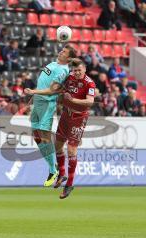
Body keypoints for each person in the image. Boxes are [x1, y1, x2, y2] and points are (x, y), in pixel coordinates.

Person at [24, 45, 77, 187]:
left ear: (69, 58)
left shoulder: (62, 71)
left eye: (65, 52)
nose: (61, 51)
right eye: (62, 50)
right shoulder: (53, 64)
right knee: (36, 136)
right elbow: (43, 82)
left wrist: (34, 92)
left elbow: (51, 91)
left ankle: (54, 170)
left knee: (44, 137)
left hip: (47, 104)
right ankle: (53, 166)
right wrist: (33, 98)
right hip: (37, 101)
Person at [54, 59, 95, 199]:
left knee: (71, 149)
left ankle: (69, 184)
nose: (77, 73)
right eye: (75, 70)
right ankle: (61, 174)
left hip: (79, 117)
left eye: (79, 70)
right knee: (57, 145)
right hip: (66, 115)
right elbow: (59, 86)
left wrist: (72, 100)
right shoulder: (69, 77)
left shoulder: (89, 83)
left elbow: (90, 101)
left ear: (85, 70)